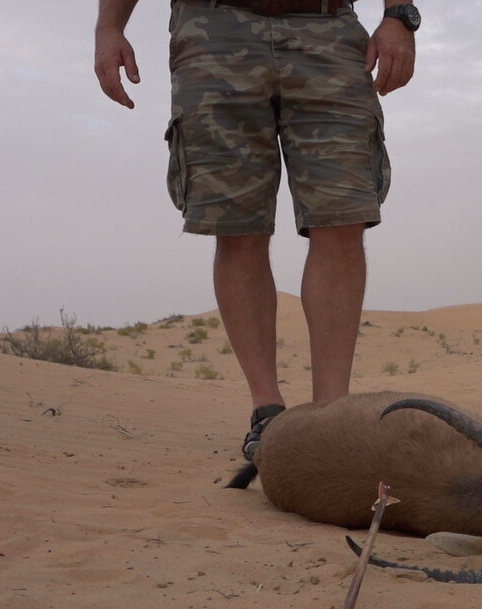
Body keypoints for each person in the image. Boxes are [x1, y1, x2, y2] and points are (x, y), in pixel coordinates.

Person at [94, 0, 421, 460]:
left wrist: (399, 15)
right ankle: (267, 411)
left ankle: (331, 417)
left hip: (327, 27)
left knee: (342, 217)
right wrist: (109, 29)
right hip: (212, 27)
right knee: (237, 225)